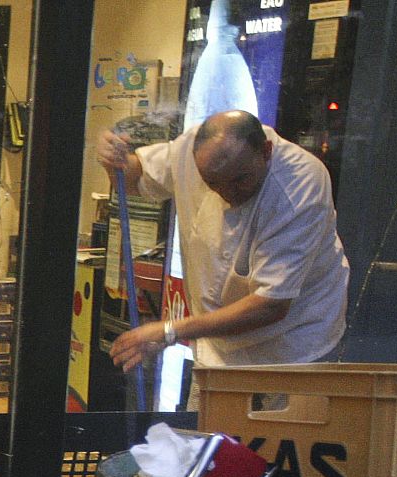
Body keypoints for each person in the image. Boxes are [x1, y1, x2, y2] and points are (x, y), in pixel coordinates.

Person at [97, 109, 348, 373]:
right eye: (213, 183)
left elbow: (271, 305)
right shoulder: (191, 150)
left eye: (241, 179)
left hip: (292, 347)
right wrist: (115, 161)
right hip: (216, 346)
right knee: (207, 414)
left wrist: (169, 331)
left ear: (266, 151)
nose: (228, 193)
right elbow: (135, 179)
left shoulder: (299, 186)